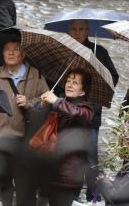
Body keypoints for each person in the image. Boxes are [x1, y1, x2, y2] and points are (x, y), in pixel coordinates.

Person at [0, 39, 49, 206]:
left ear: (23, 54)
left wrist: (29, 103)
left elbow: (47, 104)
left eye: (16, 49)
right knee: (1, 185)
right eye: (7, 49)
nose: (11, 53)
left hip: (23, 143)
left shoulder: (36, 75)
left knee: (25, 187)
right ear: (2, 54)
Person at [67, 19, 119, 202]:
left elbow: (113, 77)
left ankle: (92, 196)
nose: (77, 32)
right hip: (68, 112)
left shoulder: (99, 52)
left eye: (81, 29)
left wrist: (96, 100)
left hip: (91, 113)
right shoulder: (66, 50)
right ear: (69, 30)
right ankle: (71, 194)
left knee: (90, 158)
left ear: (88, 30)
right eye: (74, 29)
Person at [37, 68, 94, 206]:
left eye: (75, 82)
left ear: (83, 90)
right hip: (49, 170)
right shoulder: (60, 104)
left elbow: (76, 113)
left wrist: (56, 101)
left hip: (68, 177)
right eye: (68, 81)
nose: (69, 84)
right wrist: (44, 106)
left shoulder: (87, 109)